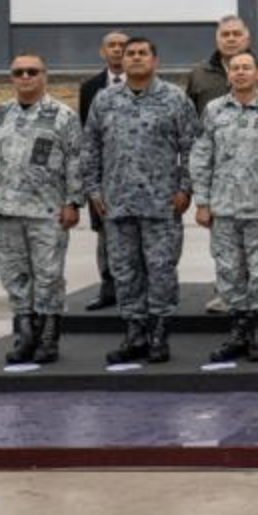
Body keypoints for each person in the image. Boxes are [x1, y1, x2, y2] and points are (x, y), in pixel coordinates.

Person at [83, 35, 200, 365]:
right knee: (125, 271)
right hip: (117, 203)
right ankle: (134, 333)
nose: (135, 57)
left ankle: (159, 333)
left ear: (155, 60)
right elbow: (90, 147)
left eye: (142, 53)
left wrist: (186, 189)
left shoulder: (175, 99)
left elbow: (193, 148)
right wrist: (93, 191)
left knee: (161, 270)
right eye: (130, 53)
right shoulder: (105, 100)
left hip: (162, 204)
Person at [0, 52, 84, 365]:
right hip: (6, 210)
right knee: (14, 274)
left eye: (32, 72)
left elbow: (76, 161)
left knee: (49, 275)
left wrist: (73, 202)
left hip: (47, 211)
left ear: (44, 76)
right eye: (18, 72)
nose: (25, 77)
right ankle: (25, 334)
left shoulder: (62, 115)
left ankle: (48, 337)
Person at [188, 51, 258, 364]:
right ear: (228, 74)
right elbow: (201, 156)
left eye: (247, 67)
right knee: (229, 272)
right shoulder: (214, 110)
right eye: (234, 68)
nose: (240, 72)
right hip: (223, 208)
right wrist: (202, 201)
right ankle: (238, 333)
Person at [76, 28, 130, 310]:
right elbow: (87, 136)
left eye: (123, 45)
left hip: (138, 175)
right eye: (112, 45)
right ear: (103, 51)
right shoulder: (89, 88)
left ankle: (137, 287)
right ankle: (109, 287)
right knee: (105, 234)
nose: (118, 49)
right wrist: (90, 181)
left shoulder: (146, 84)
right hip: (103, 176)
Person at [183, 14, 258, 113]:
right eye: (225, 35)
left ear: (247, 38)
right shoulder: (199, 75)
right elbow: (188, 118)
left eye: (237, 34)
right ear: (217, 40)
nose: (231, 39)